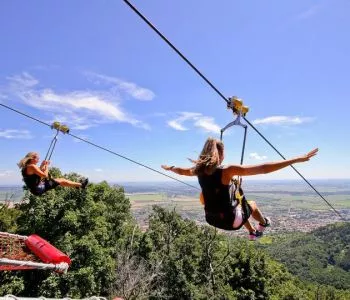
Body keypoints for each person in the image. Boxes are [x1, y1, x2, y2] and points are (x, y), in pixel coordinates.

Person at [161, 137, 318, 240]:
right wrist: (296, 159)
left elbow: (181, 171)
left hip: (211, 219)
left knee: (238, 200)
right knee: (252, 205)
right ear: (220, 155)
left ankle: (252, 233)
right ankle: (264, 223)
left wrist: (170, 167)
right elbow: (263, 168)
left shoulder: (197, 170)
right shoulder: (226, 170)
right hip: (229, 221)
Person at [18, 152, 89, 196]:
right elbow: (44, 175)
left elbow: (36, 174)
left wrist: (43, 165)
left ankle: (77, 185)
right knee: (61, 180)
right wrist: (47, 166)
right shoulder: (32, 166)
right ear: (33, 158)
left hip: (36, 188)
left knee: (60, 180)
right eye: (38, 158)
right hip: (38, 188)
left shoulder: (27, 167)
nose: (38, 160)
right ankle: (81, 185)